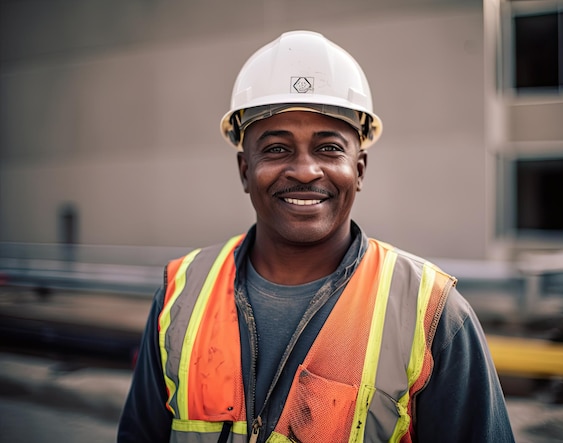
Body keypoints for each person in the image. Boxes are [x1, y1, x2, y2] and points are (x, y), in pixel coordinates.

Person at [117, 30, 515, 442]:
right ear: (244, 170)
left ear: (359, 170)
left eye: (328, 148)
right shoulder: (182, 293)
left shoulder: (431, 312)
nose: (305, 171)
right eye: (275, 148)